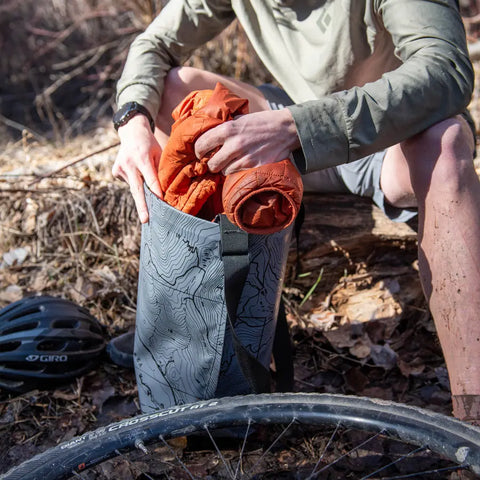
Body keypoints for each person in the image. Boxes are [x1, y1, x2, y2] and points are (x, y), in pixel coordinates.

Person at [111, 0, 480, 425]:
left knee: (446, 141)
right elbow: (155, 44)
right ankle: (191, 325)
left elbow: (444, 71)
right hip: (288, 133)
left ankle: (470, 418)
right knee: (179, 89)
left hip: (389, 141)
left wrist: (298, 128)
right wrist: (132, 117)